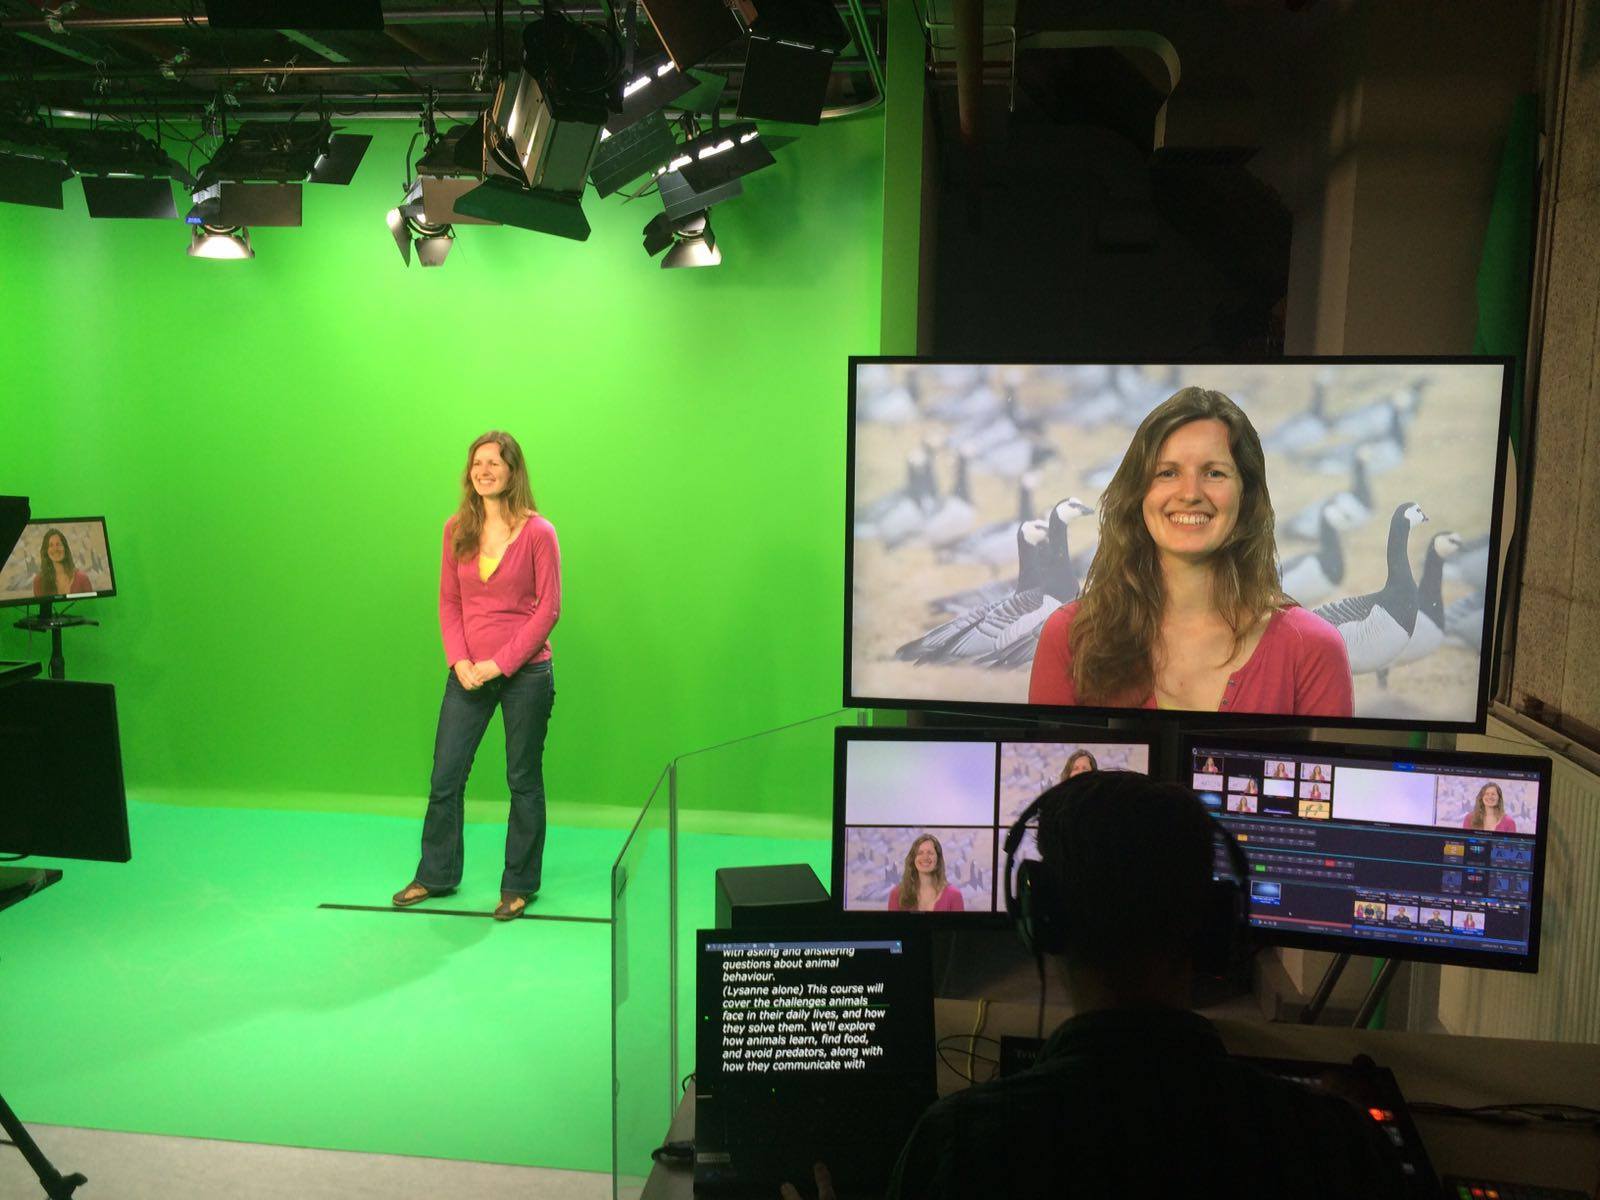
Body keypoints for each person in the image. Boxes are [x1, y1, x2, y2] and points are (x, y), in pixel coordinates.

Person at [853, 772, 1405, 1199]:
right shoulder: (1334, 1142)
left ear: (1043, 920)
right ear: (1215, 923)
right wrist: (1333, 1117)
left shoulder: (955, 1144)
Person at [1027, 387, 1352, 716]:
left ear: (1246, 495)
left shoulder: (1313, 648)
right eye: (1167, 473)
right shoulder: (1070, 637)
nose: (1190, 494)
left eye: (1214, 473)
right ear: (1138, 494)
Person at [393, 431, 561, 921]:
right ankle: (436, 874)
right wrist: (459, 661)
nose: (484, 471)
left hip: (526, 675)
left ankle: (519, 885)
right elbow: (450, 602)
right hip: (468, 673)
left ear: (512, 471)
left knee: (523, 779)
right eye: (477, 463)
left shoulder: (539, 533)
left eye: (494, 463)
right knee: (445, 776)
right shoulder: (456, 529)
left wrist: (499, 663)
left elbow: (549, 609)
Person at [887, 834, 965, 913]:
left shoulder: (954, 895)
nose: (925, 857)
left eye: (930, 853)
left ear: (938, 859)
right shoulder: (897, 894)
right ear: (913, 859)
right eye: (920, 853)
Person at [31, 528, 92, 596]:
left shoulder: (82, 579)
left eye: (58, 544)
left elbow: (91, 602)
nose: (55, 549)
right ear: (46, 551)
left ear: (65, 548)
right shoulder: (39, 581)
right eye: (51, 545)